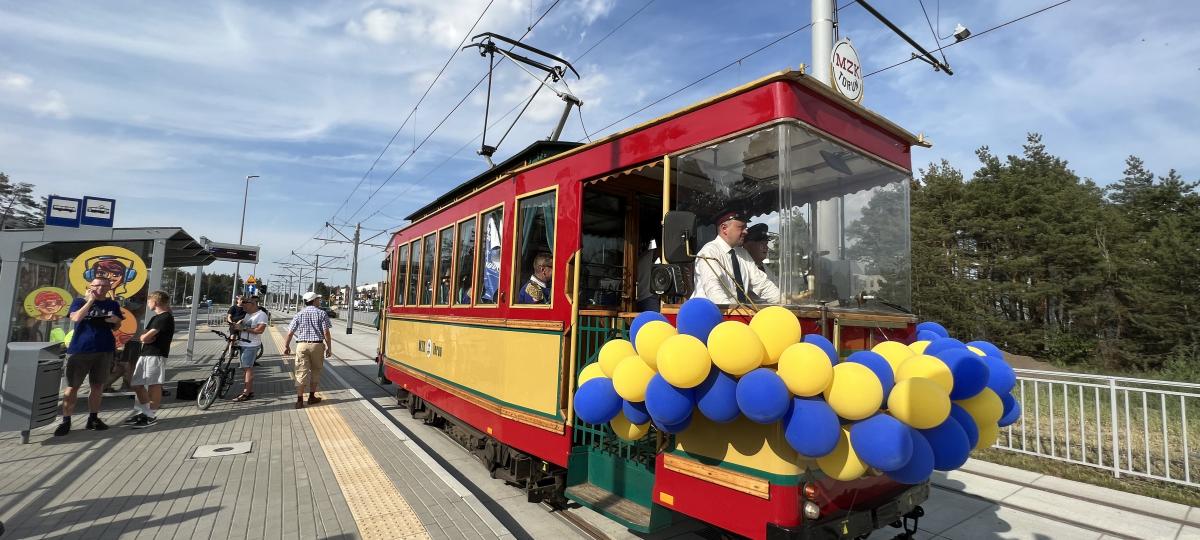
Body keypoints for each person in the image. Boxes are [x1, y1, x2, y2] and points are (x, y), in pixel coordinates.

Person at [56, 277, 124, 436]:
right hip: (80, 350)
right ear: (90, 286)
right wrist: (90, 301)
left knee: (97, 386)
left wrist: (116, 321)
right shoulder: (79, 302)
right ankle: (66, 420)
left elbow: (116, 326)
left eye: (104, 285)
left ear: (109, 288)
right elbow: (76, 318)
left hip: (104, 350)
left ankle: (93, 418)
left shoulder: (112, 304)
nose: (100, 288)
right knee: (72, 386)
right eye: (97, 285)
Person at [692, 211, 780, 305]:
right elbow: (714, 291)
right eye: (741, 227)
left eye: (745, 228)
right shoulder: (709, 252)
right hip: (710, 315)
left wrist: (784, 302)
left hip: (737, 314)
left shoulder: (743, 254)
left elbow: (762, 284)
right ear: (724, 228)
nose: (745, 231)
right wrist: (732, 315)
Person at [127, 290, 175, 428]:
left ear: (155, 302)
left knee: (154, 384)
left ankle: (150, 414)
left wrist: (145, 338)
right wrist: (145, 338)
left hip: (156, 354)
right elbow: (144, 334)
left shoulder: (165, 317)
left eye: (148, 301)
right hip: (146, 353)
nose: (147, 303)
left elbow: (145, 337)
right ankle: (144, 411)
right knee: (137, 383)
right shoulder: (155, 318)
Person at [282, 291, 332, 409]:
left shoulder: (299, 314)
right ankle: (311, 397)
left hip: (302, 345)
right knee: (316, 371)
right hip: (317, 345)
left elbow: (290, 333)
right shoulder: (322, 313)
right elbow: (326, 332)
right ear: (314, 301)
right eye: (318, 299)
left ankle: (299, 400)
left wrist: (286, 346)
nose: (319, 301)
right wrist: (329, 347)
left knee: (301, 372)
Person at [232, 296, 269, 402]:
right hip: (243, 343)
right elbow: (243, 324)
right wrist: (238, 324)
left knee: (248, 369)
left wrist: (243, 328)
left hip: (251, 345)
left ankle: (246, 393)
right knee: (245, 368)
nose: (242, 306)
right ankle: (249, 391)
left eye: (244, 304)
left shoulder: (261, 315)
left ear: (252, 304)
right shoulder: (248, 314)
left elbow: (260, 330)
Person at [635, 239, 661, 312]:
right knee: (654, 321)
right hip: (648, 297)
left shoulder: (636, 259)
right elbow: (661, 250)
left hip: (639, 298)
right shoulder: (647, 255)